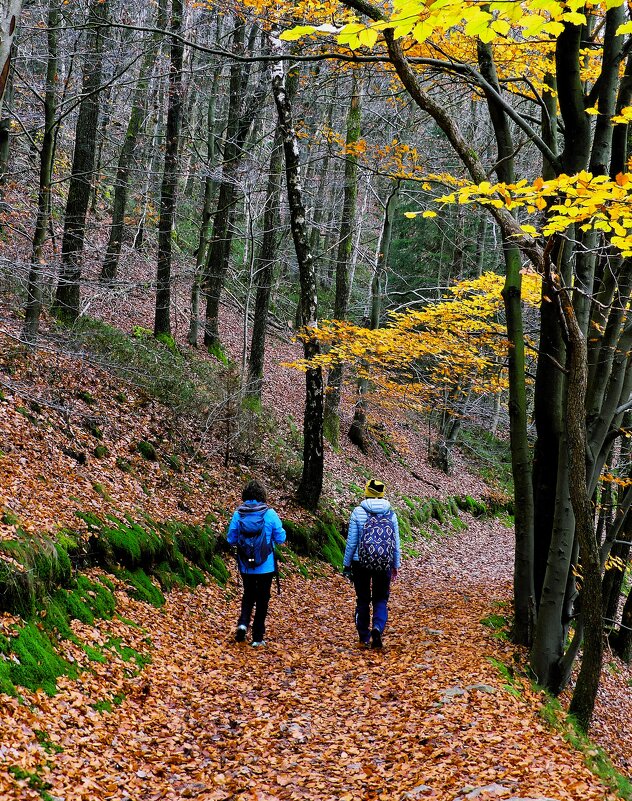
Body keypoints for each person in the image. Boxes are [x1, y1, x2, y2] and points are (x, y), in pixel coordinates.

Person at [227, 479, 286, 647]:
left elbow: (230, 538)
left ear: (245, 495)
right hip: (266, 566)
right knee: (263, 598)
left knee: (248, 594)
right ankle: (258, 637)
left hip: (246, 564)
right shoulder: (270, 514)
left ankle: (243, 623)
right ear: (262, 495)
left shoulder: (238, 514)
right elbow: (281, 538)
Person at [342, 479, 401, 649]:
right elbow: (396, 543)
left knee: (362, 599)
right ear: (382, 493)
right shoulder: (391, 514)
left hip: (360, 563)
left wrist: (346, 565)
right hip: (384, 562)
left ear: (367, 491)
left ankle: (363, 637)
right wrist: (395, 564)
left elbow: (352, 543)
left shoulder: (358, 512)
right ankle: (377, 627)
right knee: (381, 598)